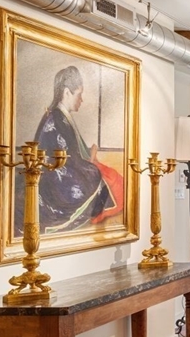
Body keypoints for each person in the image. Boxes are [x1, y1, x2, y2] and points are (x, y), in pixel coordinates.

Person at [14, 66, 122, 234]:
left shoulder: (61, 117)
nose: (82, 100)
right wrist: (90, 161)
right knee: (96, 175)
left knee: (106, 175)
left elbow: (71, 150)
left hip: (64, 169)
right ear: (66, 92)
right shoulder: (55, 119)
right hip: (55, 178)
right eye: (79, 94)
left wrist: (89, 154)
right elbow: (63, 158)